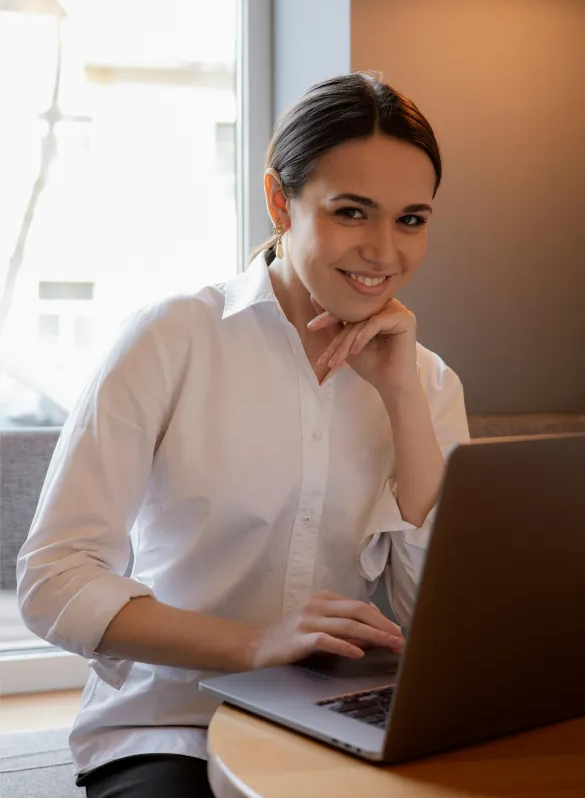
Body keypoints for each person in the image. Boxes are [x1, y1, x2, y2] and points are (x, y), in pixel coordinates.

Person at [16, 72, 470, 798]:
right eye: (353, 211)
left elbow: (437, 622)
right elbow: (53, 579)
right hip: (173, 722)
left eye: (411, 219)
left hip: (336, 720)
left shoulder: (429, 382)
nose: (385, 252)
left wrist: (402, 398)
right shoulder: (173, 337)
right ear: (279, 201)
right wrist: (253, 644)